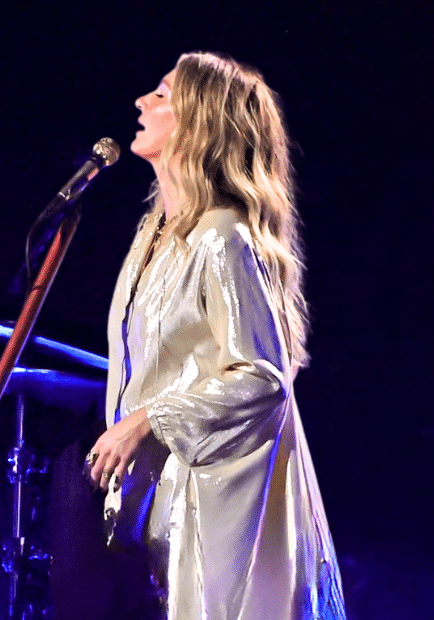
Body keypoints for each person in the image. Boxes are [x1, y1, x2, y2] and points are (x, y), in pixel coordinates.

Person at [84, 52, 346, 619]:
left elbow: (262, 377)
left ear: (199, 121)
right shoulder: (153, 234)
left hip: (223, 506)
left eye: (161, 94)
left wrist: (147, 420)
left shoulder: (223, 237)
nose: (141, 103)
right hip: (167, 496)